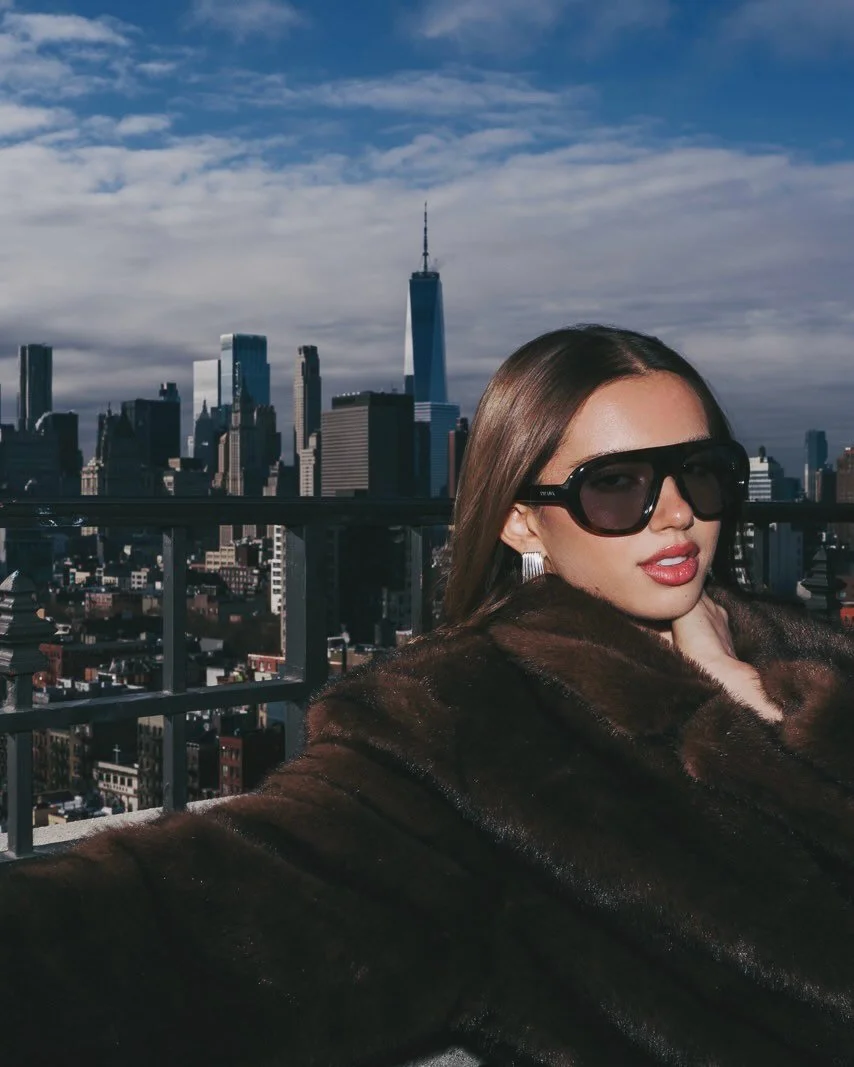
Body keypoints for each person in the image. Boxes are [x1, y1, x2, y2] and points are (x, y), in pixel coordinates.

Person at [3, 324, 854, 1066]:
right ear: (523, 519)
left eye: (701, 473)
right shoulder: (467, 727)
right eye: (617, 483)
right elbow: (192, 916)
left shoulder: (795, 653)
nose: (675, 514)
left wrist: (755, 701)